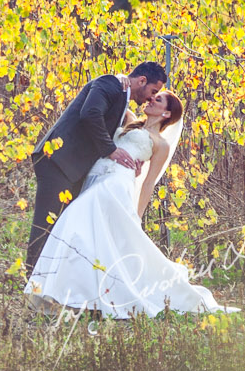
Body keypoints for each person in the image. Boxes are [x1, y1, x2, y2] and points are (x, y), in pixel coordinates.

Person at [24, 92, 239, 318]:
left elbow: (148, 182)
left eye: (158, 100)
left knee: (72, 220)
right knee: (94, 238)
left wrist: (137, 215)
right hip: (95, 177)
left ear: (166, 113)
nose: (151, 100)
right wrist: (121, 79)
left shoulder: (160, 144)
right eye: (152, 97)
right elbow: (115, 97)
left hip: (115, 184)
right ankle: (78, 295)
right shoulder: (129, 120)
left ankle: (57, 289)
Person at [25, 62, 167, 275]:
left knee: (63, 227)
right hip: (58, 161)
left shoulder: (122, 96)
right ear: (142, 80)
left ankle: (53, 281)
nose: (150, 98)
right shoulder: (109, 83)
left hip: (75, 168)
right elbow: (90, 114)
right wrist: (111, 150)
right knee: (46, 225)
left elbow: (114, 127)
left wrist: (133, 155)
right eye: (153, 92)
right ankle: (32, 280)